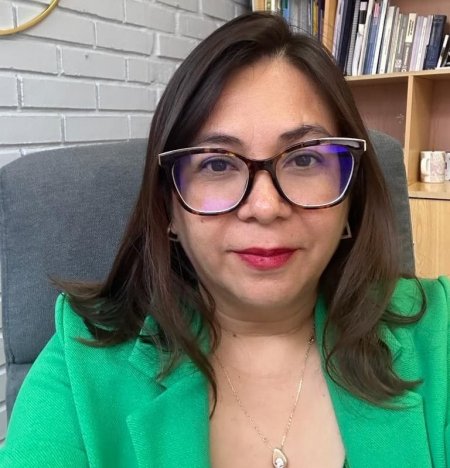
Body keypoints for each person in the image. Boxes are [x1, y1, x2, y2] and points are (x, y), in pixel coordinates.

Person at [0, 11, 448, 468]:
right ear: (169, 208)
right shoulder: (82, 361)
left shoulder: (439, 332)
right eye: (217, 164)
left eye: (305, 160)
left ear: (351, 196)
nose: (265, 207)